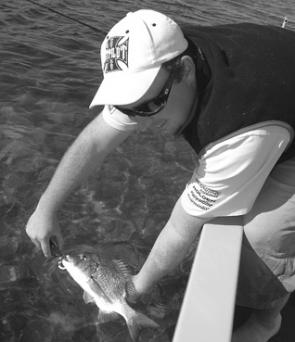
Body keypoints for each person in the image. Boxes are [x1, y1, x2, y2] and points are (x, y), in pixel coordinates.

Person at [26, 9, 295, 342]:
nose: (143, 121)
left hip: (267, 112)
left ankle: (266, 321)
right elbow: (96, 140)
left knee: (263, 234)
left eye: (148, 107)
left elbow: (182, 226)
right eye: (129, 107)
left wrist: (135, 288)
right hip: (278, 85)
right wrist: (46, 207)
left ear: (183, 69)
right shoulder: (162, 61)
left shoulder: (235, 129)